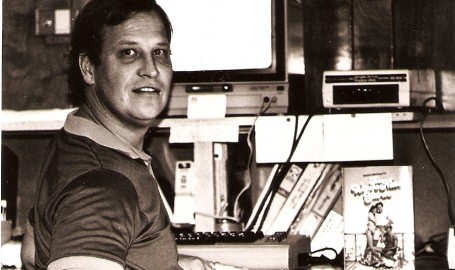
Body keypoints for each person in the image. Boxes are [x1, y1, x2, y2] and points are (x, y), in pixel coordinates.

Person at [20, 1, 233, 269]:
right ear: (88, 68)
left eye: (160, 52)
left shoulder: (75, 142)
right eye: (129, 52)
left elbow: (31, 253)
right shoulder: (103, 187)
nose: (151, 69)